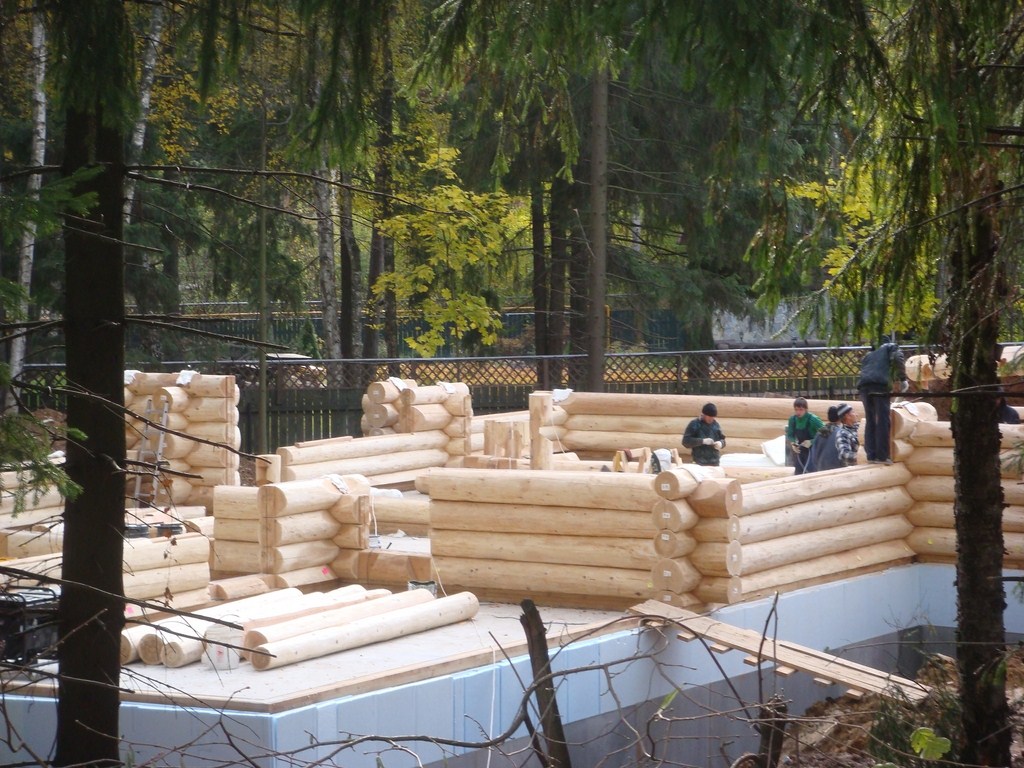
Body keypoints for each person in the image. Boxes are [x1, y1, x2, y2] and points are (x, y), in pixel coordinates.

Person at [857, 339, 908, 464]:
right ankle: (882, 456)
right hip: (879, 386)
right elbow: (898, 358)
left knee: (870, 420)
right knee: (883, 420)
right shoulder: (891, 347)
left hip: (864, 387)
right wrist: (902, 379)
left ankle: (871, 455)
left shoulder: (868, 356)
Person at [785, 397, 824, 474]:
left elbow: (825, 432)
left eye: (801, 410)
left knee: (811, 471)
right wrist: (793, 443)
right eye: (796, 410)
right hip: (800, 449)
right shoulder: (792, 420)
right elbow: (790, 434)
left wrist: (812, 441)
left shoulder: (813, 419)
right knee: (798, 471)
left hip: (813, 450)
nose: (798, 412)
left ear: (806, 409)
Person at [682, 402, 726, 466]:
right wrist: (702, 441)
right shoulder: (694, 424)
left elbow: (723, 440)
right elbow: (685, 442)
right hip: (699, 463)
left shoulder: (716, 425)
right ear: (704, 414)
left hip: (715, 462)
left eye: (713, 417)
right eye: (709, 417)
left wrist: (721, 443)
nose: (711, 419)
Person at [804, 405, 841, 473]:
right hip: (836, 470)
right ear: (840, 417)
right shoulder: (840, 433)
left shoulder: (820, 432)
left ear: (828, 417)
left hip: (821, 469)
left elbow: (814, 455)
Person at [833, 402, 860, 466]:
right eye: (853, 412)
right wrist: (861, 457)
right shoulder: (842, 434)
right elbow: (844, 454)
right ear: (847, 416)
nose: (856, 414)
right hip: (855, 470)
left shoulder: (859, 427)